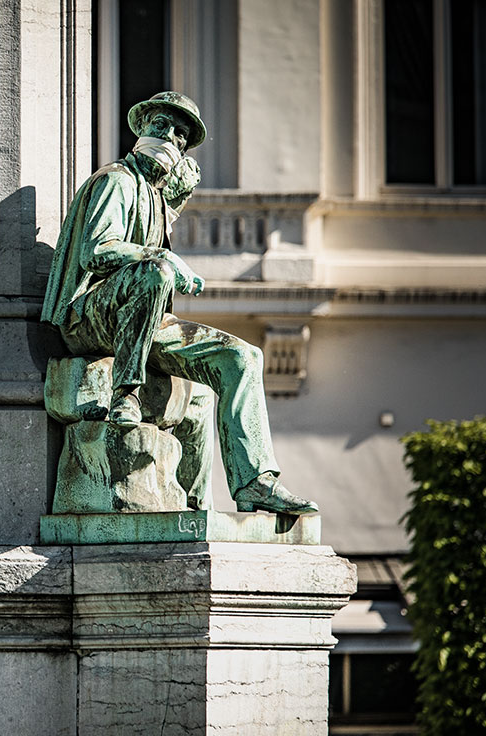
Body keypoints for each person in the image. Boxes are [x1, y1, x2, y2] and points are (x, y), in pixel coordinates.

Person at [42, 91, 316, 515]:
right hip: (88, 316)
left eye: (180, 134)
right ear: (141, 129)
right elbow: (95, 252)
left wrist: (174, 204)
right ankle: (126, 394)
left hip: (137, 318)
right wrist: (163, 256)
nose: (170, 137)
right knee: (156, 271)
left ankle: (243, 486)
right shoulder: (116, 179)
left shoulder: (155, 196)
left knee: (240, 358)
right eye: (161, 126)